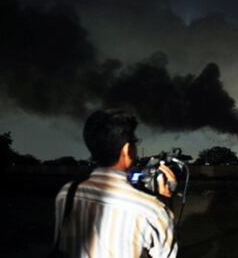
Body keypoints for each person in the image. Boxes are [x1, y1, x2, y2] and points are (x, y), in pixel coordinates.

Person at [53, 110, 178, 257]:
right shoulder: (151, 211)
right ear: (126, 150)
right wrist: (165, 199)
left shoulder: (67, 193)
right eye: (135, 142)